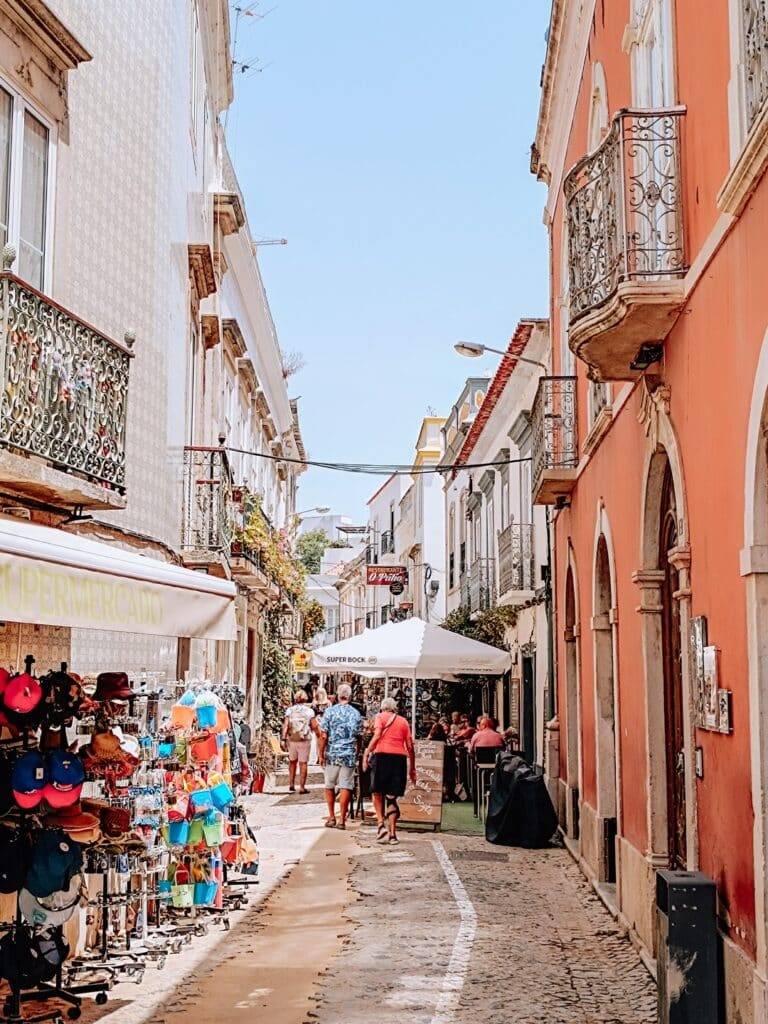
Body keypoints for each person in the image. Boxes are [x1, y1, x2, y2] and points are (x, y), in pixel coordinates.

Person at [362, 696, 416, 846]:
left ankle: (380, 824)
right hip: (399, 760)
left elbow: (377, 735)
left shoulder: (379, 717)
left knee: (377, 792)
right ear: (395, 709)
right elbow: (410, 746)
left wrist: (367, 752)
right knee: (391, 797)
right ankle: (393, 834)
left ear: (382, 708)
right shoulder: (404, 721)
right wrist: (412, 768)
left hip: (381, 757)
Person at [318, 683, 362, 829]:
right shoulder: (355, 713)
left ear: (337, 695)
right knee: (346, 785)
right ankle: (342, 820)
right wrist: (357, 750)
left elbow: (323, 735)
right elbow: (359, 736)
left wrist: (321, 753)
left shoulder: (330, 712)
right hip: (349, 754)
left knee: (329, 785)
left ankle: (331, 817)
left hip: (333, 753)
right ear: (349, 696)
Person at [281, 690, 319, 794]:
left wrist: (283, 739)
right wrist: (319, 735)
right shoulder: (309, 711)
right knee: (303, 763)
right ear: (306, 698)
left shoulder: (290, 710)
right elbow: (314, 726)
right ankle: (302, 787)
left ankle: (291, 784)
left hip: (292, 739)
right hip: (304, 739)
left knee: (292, 762)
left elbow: (286, 725)